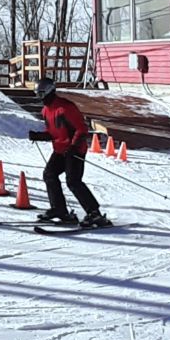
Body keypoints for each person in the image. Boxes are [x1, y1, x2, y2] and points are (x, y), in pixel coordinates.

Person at [26, 77, 111, 228]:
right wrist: (39, 136)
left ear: (50, 92)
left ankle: (95, 214)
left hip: (75, 150)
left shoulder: (66, 107)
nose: (40, 98)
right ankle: (60, 210)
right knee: (49, 174)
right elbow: (54, 132)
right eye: (37, 94)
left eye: (41, 94)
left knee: (73, 181)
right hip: (60, 150)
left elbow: (81, 129)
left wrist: (73, 146)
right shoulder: (46, 111)